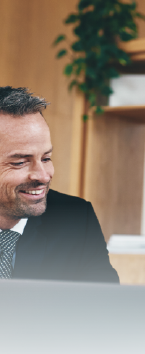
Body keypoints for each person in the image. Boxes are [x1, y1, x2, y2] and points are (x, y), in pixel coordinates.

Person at [0, 86, 118, 283]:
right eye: (20, 162)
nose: (44, 176)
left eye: (46, 158)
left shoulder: (75, 219)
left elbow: (107, 307)